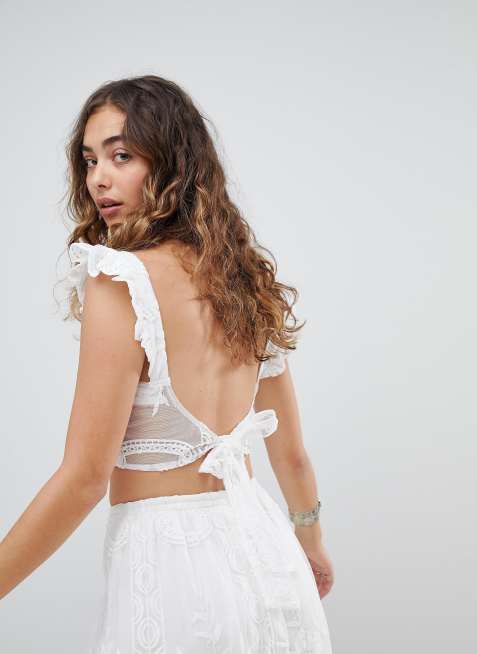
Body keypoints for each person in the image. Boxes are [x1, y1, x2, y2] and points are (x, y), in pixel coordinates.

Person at [0, 74, 334, 652]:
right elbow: (292, 454)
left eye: (121, 155)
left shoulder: (120, 280)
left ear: (172, 162)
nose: (98, 178)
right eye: (90, 159)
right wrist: (311, 543)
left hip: (173, 580)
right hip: (272, 566)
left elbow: (84, 478)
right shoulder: (245, 281)